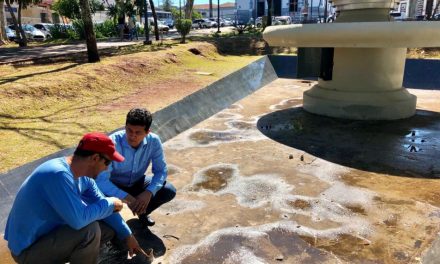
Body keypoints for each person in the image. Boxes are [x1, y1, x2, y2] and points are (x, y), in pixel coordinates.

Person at [4, 132, 149, 264]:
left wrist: (128, 235)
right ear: (95, 158)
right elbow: (79, 221)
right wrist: (111, 202)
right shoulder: (58, 175)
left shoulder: (82, 177)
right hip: (27, 252)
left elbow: (102, 204)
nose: (107, 168)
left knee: (109, 227)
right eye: (107, 163)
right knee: (90, 231)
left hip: (47, 237)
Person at [97, 108, 176, 228]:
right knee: (100, 201)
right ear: (125, 126)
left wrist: (149, 192)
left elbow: (161, 171)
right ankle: (112, 229)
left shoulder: (154, 141)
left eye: (138, 132)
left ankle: (142, 212)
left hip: (137, 182)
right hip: (112, 185)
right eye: (129, 130)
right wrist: (126, 197)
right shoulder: (111, 143)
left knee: (168, 190)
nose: (132, 136)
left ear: (147, 132)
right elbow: (101, 180)